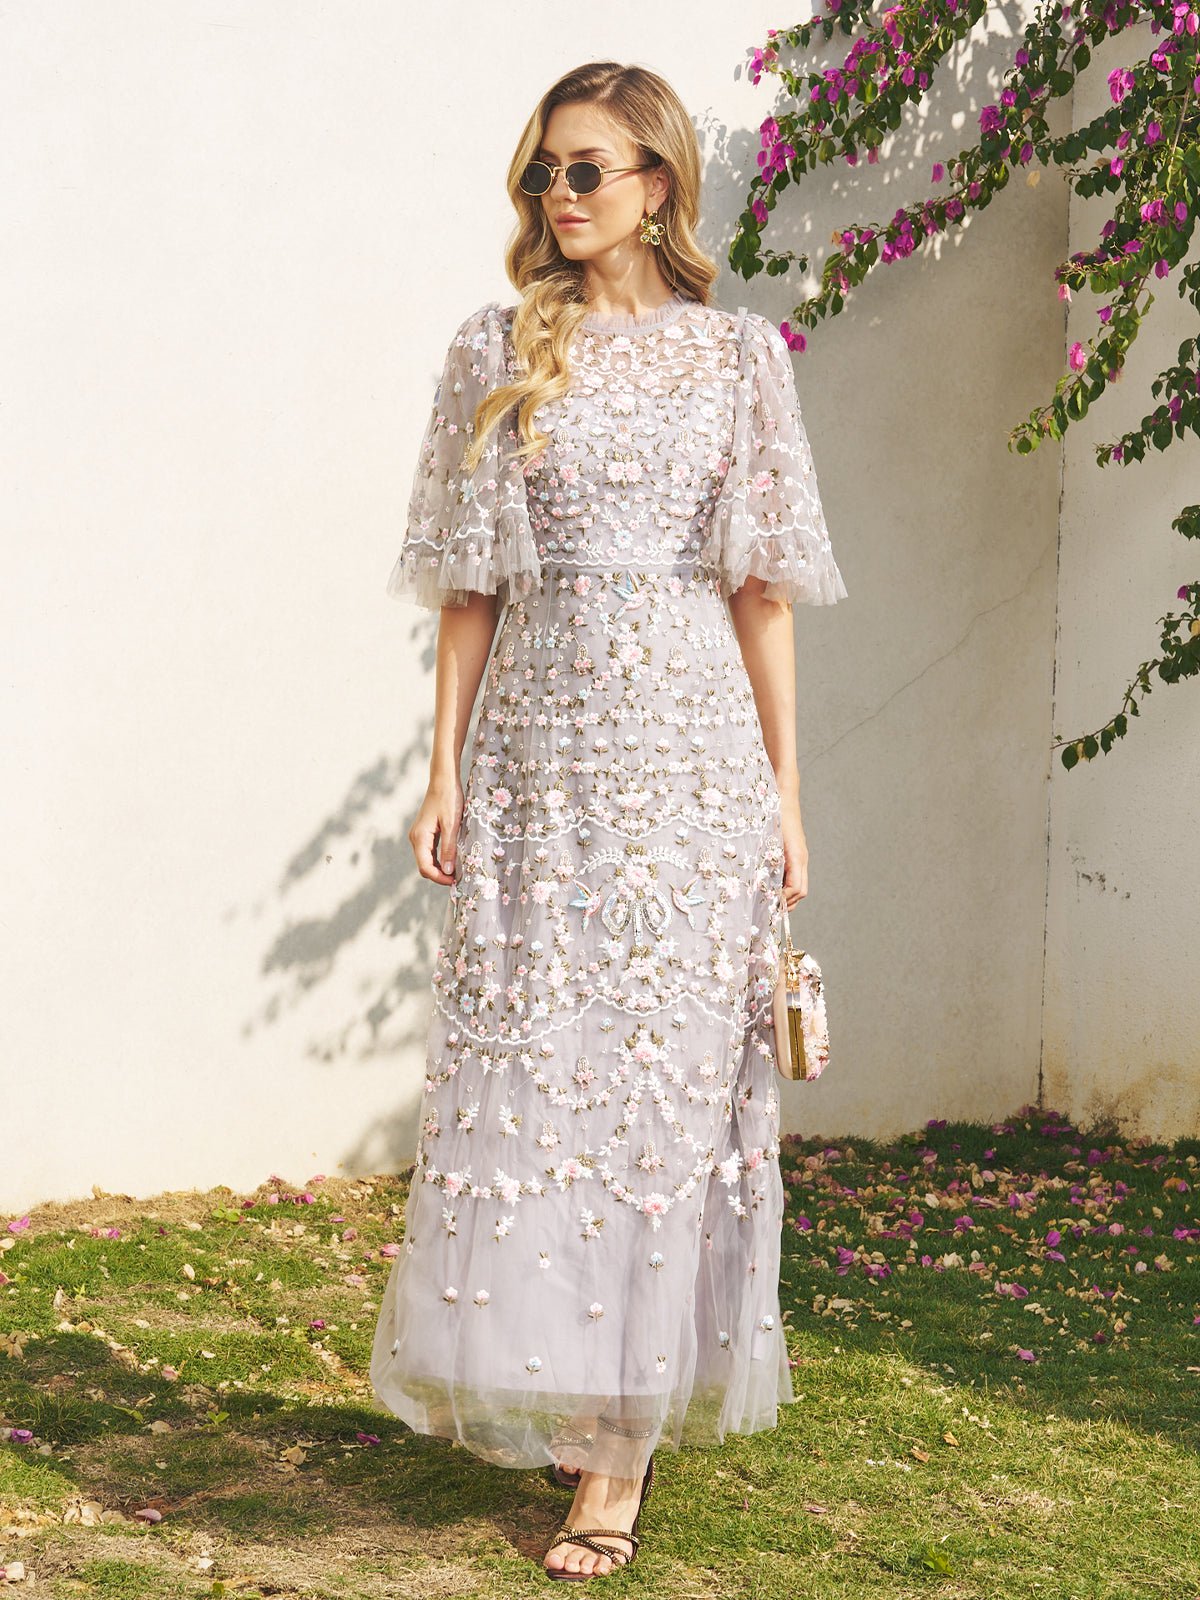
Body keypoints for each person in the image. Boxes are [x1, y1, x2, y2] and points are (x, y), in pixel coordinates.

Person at [369, 58, 848, 1583]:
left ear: (659, 183)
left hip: (691, 765)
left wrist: (786, 795)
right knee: (542, 1073)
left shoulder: (739, 357)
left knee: (661, 1094)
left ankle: (618, 1455)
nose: (560, 196)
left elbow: (762, 590)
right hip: (539, 759)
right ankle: (573, 1388)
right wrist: (443, 771)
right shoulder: (494, 345)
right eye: (544, 173)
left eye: (587, 169)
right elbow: (468, 589)